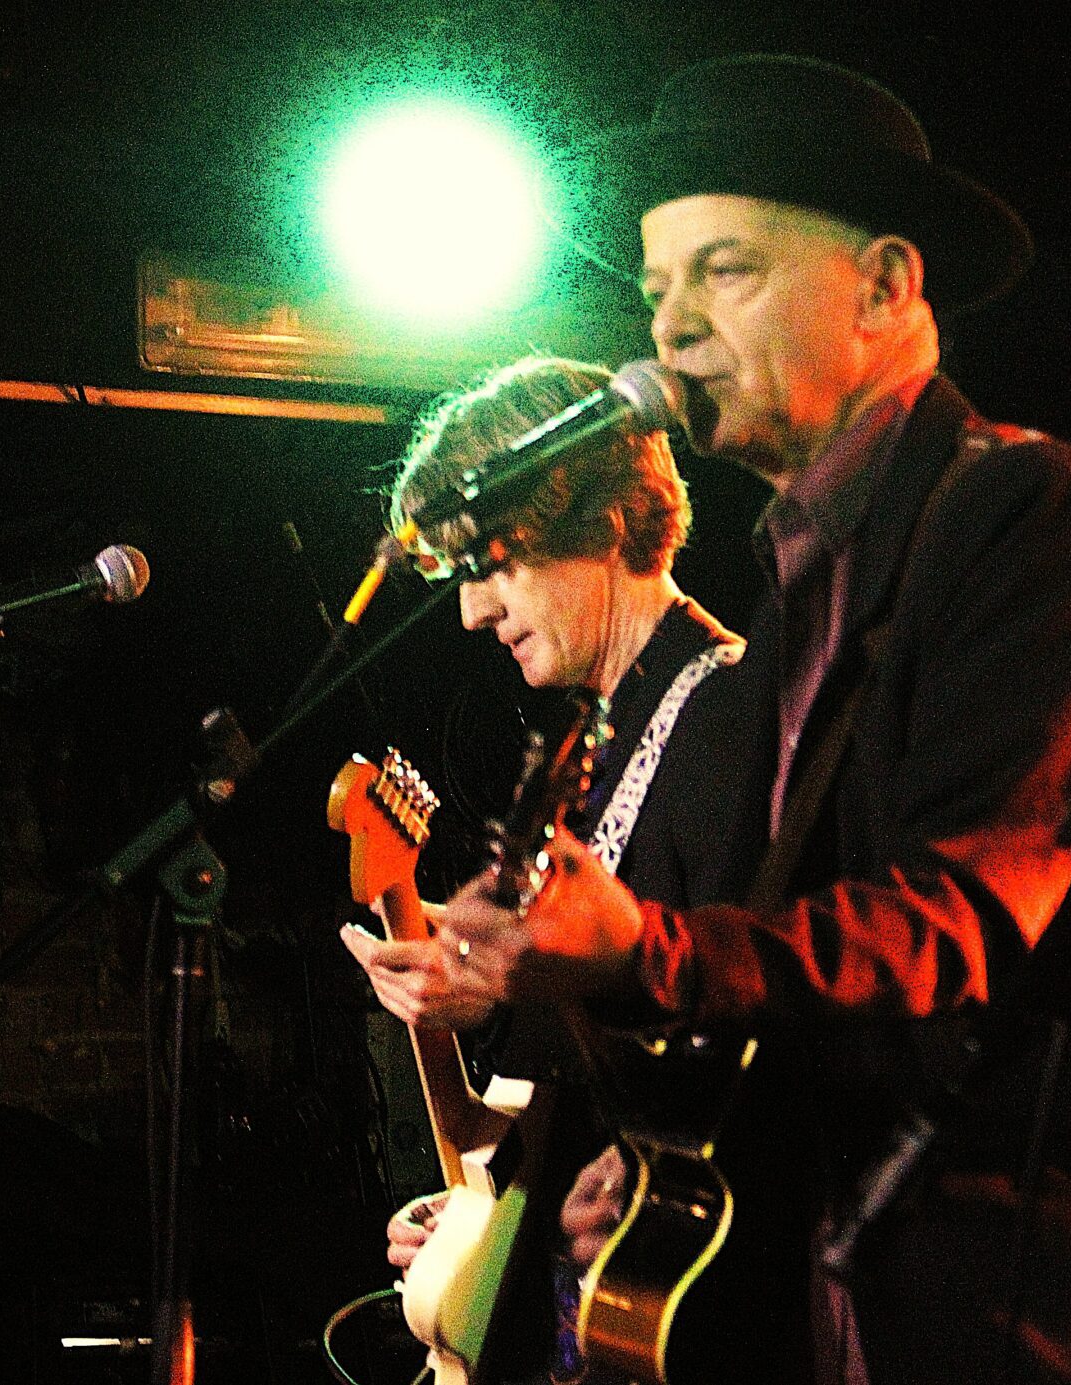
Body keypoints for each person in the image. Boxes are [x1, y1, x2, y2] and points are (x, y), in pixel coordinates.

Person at [416, 54, 1071, 1385]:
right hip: (879, 1282)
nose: (670, 328)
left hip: (1052, 1283)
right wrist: (628, 1144)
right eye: (655, 289)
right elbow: (789, 969)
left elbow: (966, 915)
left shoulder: (1027, 516)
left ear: (885, 287)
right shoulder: (795, 587)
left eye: (724, 271)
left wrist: (642, 949)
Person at [340, 354, 800, 1384]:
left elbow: (746, 1038)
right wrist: (487, 1208)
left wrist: (510, 995)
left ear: (604, 525)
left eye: (493, 566)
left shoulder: (727, 718)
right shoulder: (590, 742)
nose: (471, 612)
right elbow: (583, 1092)